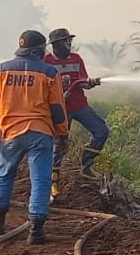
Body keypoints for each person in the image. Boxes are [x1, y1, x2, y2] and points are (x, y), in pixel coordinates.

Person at [0, 30, 69, 244]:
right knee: (40, 181)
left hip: (11, 133)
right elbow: (57, 108)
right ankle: (36, 232)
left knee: (4, 175)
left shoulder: (2, 70)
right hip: (40, 133)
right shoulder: (49, 72)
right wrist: (63, 134)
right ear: (39, 49)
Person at [45, 28, 107, 182]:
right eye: (66, 41)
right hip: (60, 109)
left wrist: (90, 83)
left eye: (70, 40)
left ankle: (86, 165)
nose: (69, 43)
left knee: (102, 131)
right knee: (59, 143)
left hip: (79, 106)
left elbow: (83, 82)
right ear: (55, 45)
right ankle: (53, 180)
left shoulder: (76, 59)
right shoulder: (46, 62)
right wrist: (59, 95)